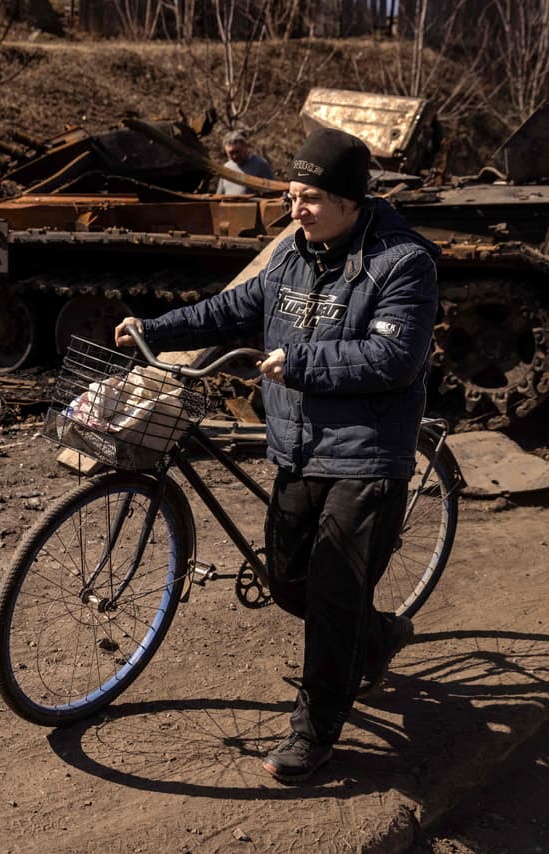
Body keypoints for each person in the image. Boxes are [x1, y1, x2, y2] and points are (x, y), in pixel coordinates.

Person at [114, 127, 439, 783]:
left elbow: (394, 358)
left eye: (312, 198)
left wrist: (303, 362)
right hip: (296, 448)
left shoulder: (403, 263)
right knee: (289, 581)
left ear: (350, 199)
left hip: (367, 455)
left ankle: (314, 733)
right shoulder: (293, 256)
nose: (297, 210)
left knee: (332, 596)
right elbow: (230, 309)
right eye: (293, 195)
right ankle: (376, 637)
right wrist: (156, 327)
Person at [216, 128, 274, 195]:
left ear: (246, 147)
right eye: (231, 153)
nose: (235, 156)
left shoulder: (261, 165)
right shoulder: (226, 167)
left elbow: (272, 193)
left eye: (237, 152)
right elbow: (219, 195)